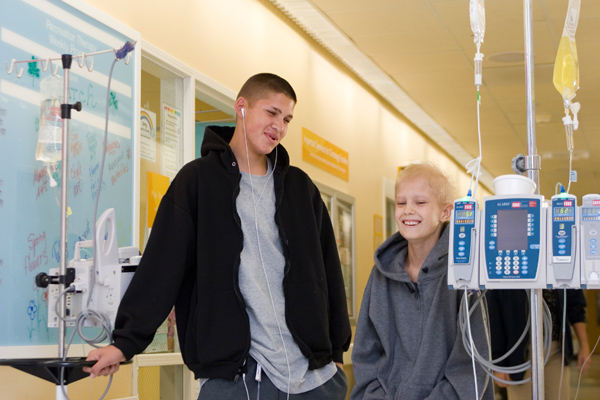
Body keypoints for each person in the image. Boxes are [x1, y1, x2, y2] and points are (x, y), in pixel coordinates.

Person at [84, 73, 352, 399]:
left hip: (315, 379)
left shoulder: (299, 187)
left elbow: (327, 271)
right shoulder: (197, 182)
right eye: (271, 113)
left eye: (287, 119)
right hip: (236, 377)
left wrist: (336, 353)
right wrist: (125, 344)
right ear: (242, 107)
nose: (279, 127)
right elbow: (162, 267)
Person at [350, 162, 493, 400]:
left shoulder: (463, 274)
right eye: (401, 202)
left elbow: (471, 367)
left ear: (445, 212)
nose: (408, 210)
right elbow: (366, 355)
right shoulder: (380, 275)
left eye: (420, 202)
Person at [487, 288, 591, 400]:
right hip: (519, 355)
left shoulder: (557, 271)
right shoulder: (509, 275)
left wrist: (584, 346)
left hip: (556, 350)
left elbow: (576, 308)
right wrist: (498, 364)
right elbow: (494, 317)